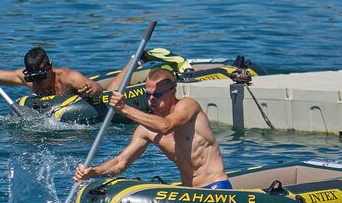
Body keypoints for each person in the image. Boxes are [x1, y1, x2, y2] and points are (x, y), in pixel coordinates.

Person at [74, 68, 232, 189]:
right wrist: (93, 172)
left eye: (157, 95)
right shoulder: (146, 129)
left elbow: (166, 126)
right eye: (147, 95)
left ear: (173, 92)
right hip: (189, 193)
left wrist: (125, 109)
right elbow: (120, 163)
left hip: (215, 188)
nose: (151, 100)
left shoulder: (188, 106)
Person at [0, 40, 103, 98]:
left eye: (41, 76)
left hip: (88, 97)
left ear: (50, 67)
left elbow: (97, 87)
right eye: (33, 77)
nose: (38, 82)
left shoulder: (69, 77)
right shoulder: (27, 79)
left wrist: (92, 90)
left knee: (111, 84)